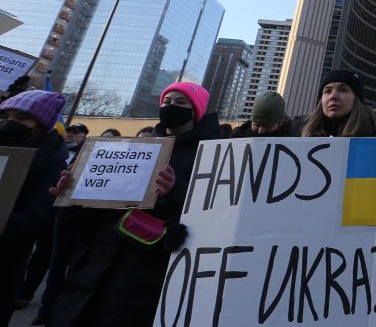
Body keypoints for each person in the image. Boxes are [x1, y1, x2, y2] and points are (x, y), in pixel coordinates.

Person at [48, 82, 219, 326]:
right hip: (96, 266)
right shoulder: (136, 148)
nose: (172, 107)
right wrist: (72, 195)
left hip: (147, 274)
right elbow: (97, 211)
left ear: (197, 111)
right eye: (167, 102)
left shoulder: (210, 153)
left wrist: (176, 190)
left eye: (181, 103)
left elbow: (216, 209)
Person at [0, 90, 68, 326]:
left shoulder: (52, 163)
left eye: (21, 119)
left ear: (40, 124)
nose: (11, 123)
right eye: (7, 116)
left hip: (5, 262)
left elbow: (38, 220)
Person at [300, 69, 376, 137]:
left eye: (343, 90)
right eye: (327, 91)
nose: (333, 96)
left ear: (356, 98)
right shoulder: (297, 130)